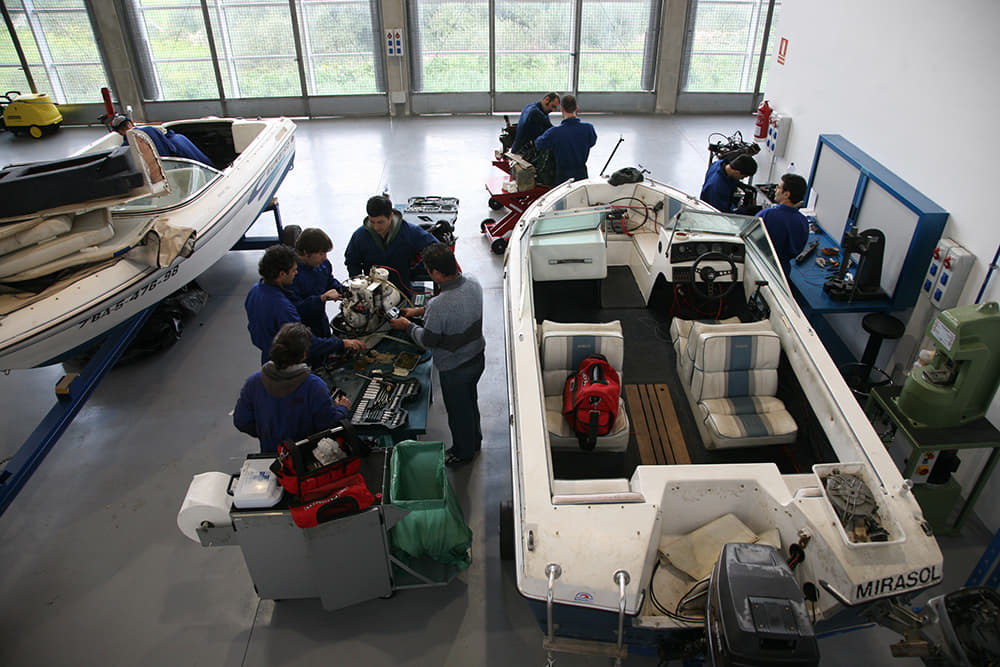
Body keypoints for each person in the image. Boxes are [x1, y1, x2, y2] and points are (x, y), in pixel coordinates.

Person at [388, 243, 485, 467]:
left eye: (429, 270)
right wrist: (420, 310)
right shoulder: (473, 281)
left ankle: (463, 452)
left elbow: (428, 341)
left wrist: (407, 325)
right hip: (477, 357)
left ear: (436, 273)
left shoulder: (440, 306)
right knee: (470, 403)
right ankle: (475, 440)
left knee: (458, 412)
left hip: (454, 368)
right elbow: (453, 304)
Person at [234, 322, 353, 453]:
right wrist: (342, 409)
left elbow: (241, 421)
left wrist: (269, 434)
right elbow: (327, 425)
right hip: (308, 458)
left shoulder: (253, 382)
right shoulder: (314, 386)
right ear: (304, 354)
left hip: (273, 457)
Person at [245, 244, 365, 366]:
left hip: (269, 358)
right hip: (288, 365)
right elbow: (306, 343)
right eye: (293, 271)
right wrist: (342, 343)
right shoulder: (282, 307)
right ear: (282, 274)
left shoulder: (255, 291)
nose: (296, 273)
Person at [344, 195, 438, 290]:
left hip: (402, 290)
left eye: (380, 222)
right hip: (371, 293)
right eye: (372, 222)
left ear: (391, 216)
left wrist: (415, 272)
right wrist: (358, 284)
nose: (376, 227)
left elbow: (437, 250)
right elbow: (351, 261)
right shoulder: (360, 236)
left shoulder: (410, 233)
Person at [291, 228, 344, 338]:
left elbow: (328, 281)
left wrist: (345, 290)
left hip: (320, 320)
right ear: (306, 252)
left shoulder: (323, 264)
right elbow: (295, 308)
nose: (325, 258)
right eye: (321, 253)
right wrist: (321, 299)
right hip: (301, 329)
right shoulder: (290, 273)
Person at [534, 94, 597, 185]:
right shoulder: (588, 128)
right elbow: (592, 142)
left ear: (562, 109)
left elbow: (539, 144)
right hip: (582, 177)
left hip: (562, 179)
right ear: (576, 108)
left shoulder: (554, 132)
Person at [110, 114, 215, 168]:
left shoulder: (125, 147)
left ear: (119, 132)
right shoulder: (151, 129)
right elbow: (171, 148)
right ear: (132, 123)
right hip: (173, 164)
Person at [758, 172, 810, 276]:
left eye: (779, 187)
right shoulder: (803, 221)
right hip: (782, 271)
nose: (775, 190)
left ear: (786, 194)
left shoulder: (766, 215)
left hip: (761, 267)